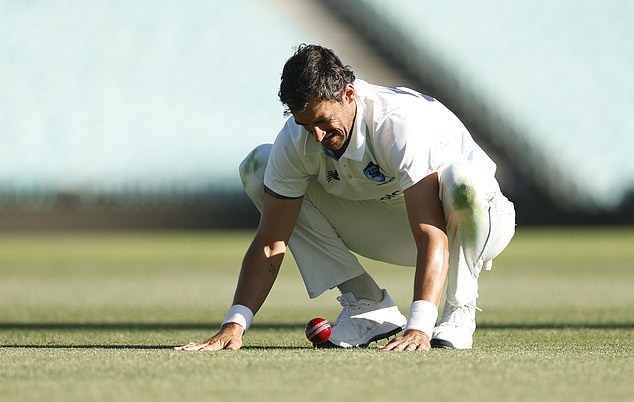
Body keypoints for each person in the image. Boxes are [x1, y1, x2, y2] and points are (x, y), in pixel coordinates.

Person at [175, 44, 515, 352]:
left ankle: (458, 310)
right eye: (306, 125)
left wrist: (419, 328)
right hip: (390, 226)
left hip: (472, 225)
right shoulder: (297, 139)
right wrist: (235, 324)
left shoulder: (398, 123)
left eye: (323, 122)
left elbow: (431, 231)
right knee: (258, 168)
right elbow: (270, 242)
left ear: (349, 93)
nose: (317, 136)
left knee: (463, 182)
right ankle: (367, 306)